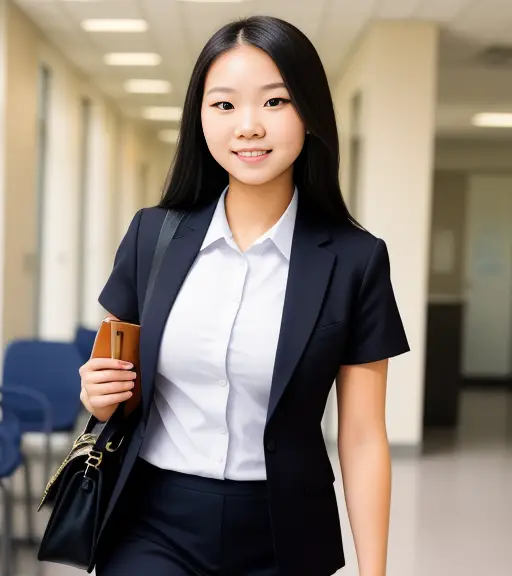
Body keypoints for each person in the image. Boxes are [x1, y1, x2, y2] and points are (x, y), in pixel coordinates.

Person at [79, 15, 409, 576]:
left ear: (310, 113)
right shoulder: (151, 236)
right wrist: (96, 395)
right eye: (224, 105)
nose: (248, 126)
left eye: (275, 103)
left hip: (285, 530)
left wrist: (373, 571)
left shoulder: (356, 260)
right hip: (153, 521)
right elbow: (113, 383)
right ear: (200, 118)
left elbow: (360, 436)